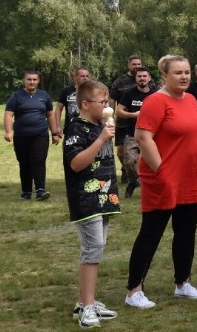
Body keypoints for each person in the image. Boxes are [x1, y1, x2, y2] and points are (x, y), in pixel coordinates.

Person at [125, 55, 197, 309]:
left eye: (187, 72)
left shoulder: (192, 99)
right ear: (164, 76)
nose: (184, 77)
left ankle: (183, 283)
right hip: (163, 179)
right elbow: (143, 138)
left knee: (186, 232)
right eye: (178, 73)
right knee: (151, 233)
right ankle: (134, 290)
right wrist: (162, 172)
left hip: (190, 178)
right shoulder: (156, 101)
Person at [63, 80, 120, 327]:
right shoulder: (77, 128)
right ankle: (86, 307)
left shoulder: (100, 125)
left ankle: (86, 301)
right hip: (86, 199)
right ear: (85, 104)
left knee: (98, 247)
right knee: (92, 248)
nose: (107, 106)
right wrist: (100, 141)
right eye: (102, 102)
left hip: (103, 197)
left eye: (108, 102)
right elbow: (76, 163)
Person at [4, 69, 60, 201]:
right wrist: (8, 131)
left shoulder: (44, 96)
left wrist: (55, 133)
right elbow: (8, 114)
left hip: (40, 134)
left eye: (34, 79)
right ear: (24, 80)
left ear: (38, 81)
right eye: (29, 79)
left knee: (39, 161)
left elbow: (50, 115)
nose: (32, 82)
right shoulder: (16, 96)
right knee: (24, 163)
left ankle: (41, 190)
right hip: (21, 136)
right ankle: (26, 192)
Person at [111, 55, 155, 183]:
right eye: (134, 64)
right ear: (128, 66)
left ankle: (143, 180)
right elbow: (113, 101)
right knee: (123, 152)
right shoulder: (121, 83)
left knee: (147, 156)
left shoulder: (153, 89)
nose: (137, 67)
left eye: (138, 64)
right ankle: (129, 173)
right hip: (126, 125)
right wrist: (111, 116)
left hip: (149, 129)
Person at [116, 67, 157, 198]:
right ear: (136, 79)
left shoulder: (156, 94)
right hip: (132, 134)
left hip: (152, 135)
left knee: (154, 163)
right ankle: (133, 182)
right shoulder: (129, 93)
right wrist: (133, 115)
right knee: (129, 162)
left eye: (145, 76)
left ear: (149, 78)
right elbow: (119, 111)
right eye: (139, 76)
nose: (142, 78)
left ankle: (153, 187)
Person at [56, 67, 91, 134]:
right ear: (75, 77)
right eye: (82, 76)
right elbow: (58, 109)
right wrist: (57, 126)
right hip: (71, 129)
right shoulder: (66, 91)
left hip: (89, 129)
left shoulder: (93, 92)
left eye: (87, 76)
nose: (85, 78)